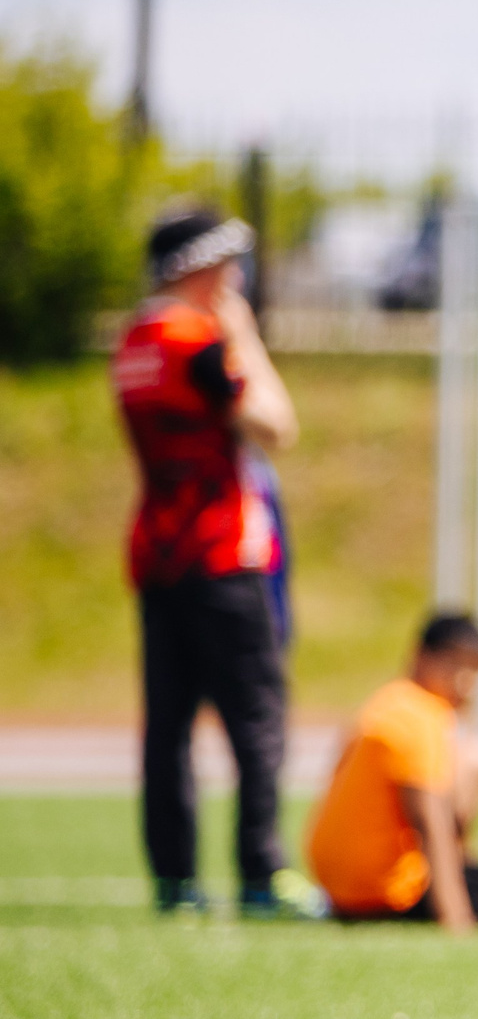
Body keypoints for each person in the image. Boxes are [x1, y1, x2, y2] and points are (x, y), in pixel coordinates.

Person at [113, 208, 300, 917]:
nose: (234, 280)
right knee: (257, 719)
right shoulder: (197, 339)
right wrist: (244, 336)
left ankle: (175, 879)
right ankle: (261, 873)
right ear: (196, 268)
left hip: (158, 552)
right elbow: (276, 423)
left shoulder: (132, 340)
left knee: (167, 726)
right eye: (224, 265)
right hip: (221, 549)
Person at [304, 613, 478, 928]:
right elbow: (430, 823)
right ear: (421, 657)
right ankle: (456, 889)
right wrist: (455, 917)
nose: (465, 682)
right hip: (394, 895)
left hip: (340, 895)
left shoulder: (386, 703)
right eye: (454, 665)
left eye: (473, 670)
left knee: (467, 757)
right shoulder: (421, 717)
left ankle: (462, 874)